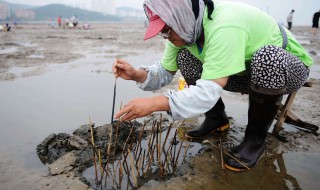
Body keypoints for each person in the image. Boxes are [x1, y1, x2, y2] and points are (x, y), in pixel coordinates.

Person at [113, 0, 313, 172]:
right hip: (244, 70)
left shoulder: (225, 25)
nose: (167, 37)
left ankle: (254, 140)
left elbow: (208, 91)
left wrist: (155, 103)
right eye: (162, 32)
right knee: (186, 56)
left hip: (286, 69)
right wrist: (135, 75)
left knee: (268, 58)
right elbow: (164, 72)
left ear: (181, 17)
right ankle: (216, 119)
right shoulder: (186, 29)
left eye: (167, 30)